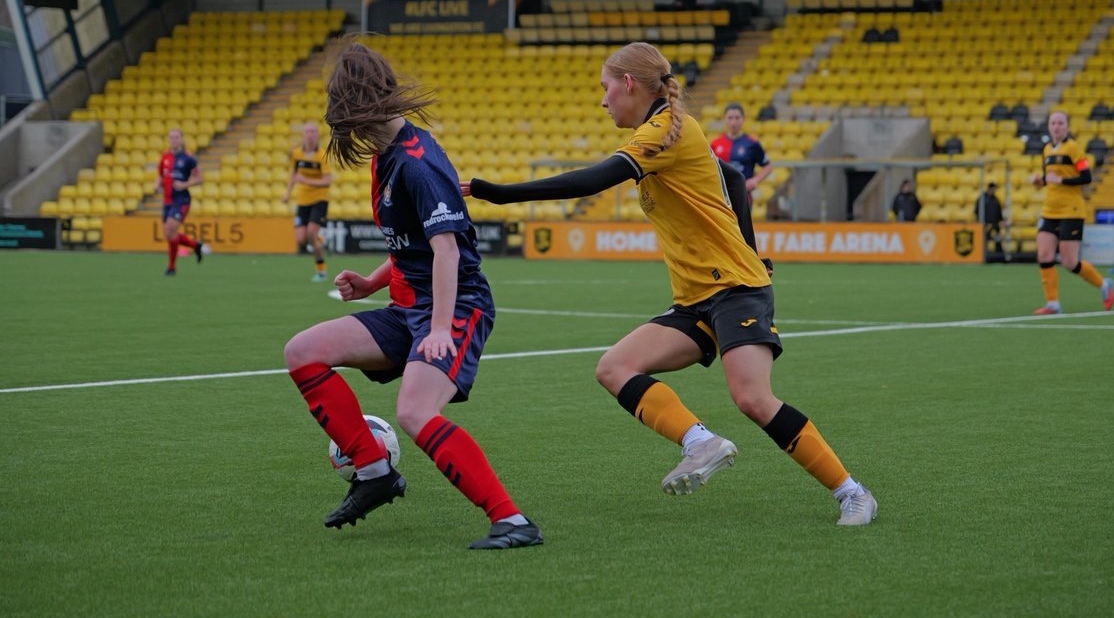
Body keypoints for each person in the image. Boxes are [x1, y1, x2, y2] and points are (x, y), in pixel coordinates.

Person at [462, 41, 876, 526]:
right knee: (615, 367)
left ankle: (853, 493)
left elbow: (594, 180)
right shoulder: (672, 130)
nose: (603, 100)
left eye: (606, 88)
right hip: (696, 299)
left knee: (752, 398)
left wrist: (501, 194)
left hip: (735, 290)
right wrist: (752, 246)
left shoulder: (662, 132)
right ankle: (700, 442)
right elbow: (736, 181)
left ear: (629, 84)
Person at [282, 42, 542, 549]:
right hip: (409, 309)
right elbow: (413, 248)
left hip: (457, 306)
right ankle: (374, 469)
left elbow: (446, 252)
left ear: (360, 109)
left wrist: (441, 328)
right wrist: (371, 284)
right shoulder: (387, 156)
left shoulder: (419, 163)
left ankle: (513, 522)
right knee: (303, 352)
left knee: (416, 413)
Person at [1031, 110, 1113, 314]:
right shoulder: (1047, 149)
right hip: (1050, 209)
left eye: (1060, 123)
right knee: (1044, 254)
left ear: (1067, 127)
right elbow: (1048, 178)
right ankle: (1053, 303)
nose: (1056, 126)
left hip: (1072, 210)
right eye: (1053, 123)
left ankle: (1103, 285)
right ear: (1048, 126)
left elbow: (1086, 177)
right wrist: (1039, 182)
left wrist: (1063, 180)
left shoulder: (1073, 148)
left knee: (1069, 262)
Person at [282, 121, 334, 282]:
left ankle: (322, 272)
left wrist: (306, 180)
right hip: (302, 200)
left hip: (319, 199)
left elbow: (327, 181)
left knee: (311, 233)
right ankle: (322, 241)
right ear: (304, 135)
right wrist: (287, 193)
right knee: (301, 239)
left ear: (317, 135)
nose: (310, 134)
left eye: (313, 131)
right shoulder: (297, 154)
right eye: (307, 131)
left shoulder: (322, 155)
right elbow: (293, 175)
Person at [155, 128, 208, 276]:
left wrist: (184, 185)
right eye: (171, 137)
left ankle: (171, 267)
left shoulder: (188, 158)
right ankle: (195, 245)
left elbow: (200, 178)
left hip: (181, 200)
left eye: (176, 137)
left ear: (182, 139)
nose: (174, 140)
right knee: (169, 235)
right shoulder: (165, 157)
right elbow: (160, 175)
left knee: (171, 230)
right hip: (167, 200)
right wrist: (157, 184)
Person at [709, 103, 774, 202]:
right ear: (724, 119)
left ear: (743, 119)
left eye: (737, 118)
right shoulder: (715, 144)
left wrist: (755, 180)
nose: (733, 122)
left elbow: (768, 166)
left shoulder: (752, 143)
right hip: (721, 197)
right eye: (730, 118)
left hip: (743, 197)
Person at [974, 182, 1008, 257]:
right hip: (985, 225)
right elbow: (977, 211)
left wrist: (1001, 221)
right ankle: (984, 256)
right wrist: (983, 222)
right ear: (989, 188)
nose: (994, 191)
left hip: (995, 225)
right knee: (984, 240)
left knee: (998, 239)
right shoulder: (982, 199)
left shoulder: (995, 199)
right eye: (993, 189)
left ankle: (999, 256)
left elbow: (999, 213)